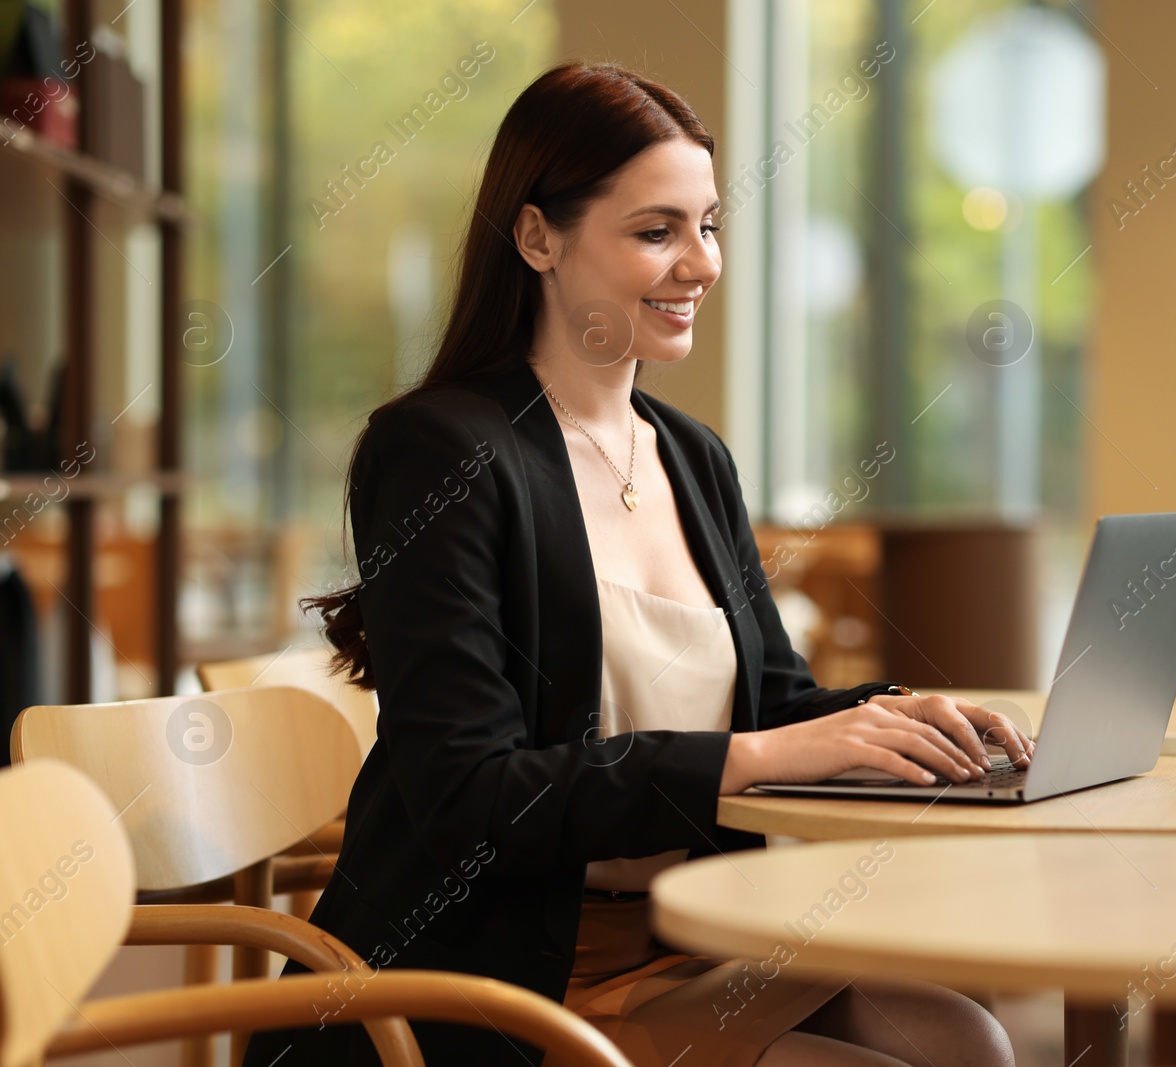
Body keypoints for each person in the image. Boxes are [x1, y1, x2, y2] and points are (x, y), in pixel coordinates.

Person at [242, 61, 1032, 1067]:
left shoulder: (692, 454)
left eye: (708, 224)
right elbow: (469, 796)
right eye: (655, 231)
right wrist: (753, 759)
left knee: (971, 1039)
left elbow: (769, 702)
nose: (699, 264)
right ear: (537, 238)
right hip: (492, 972)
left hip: (675, 935)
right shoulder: (441, 450)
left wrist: (895, 717)